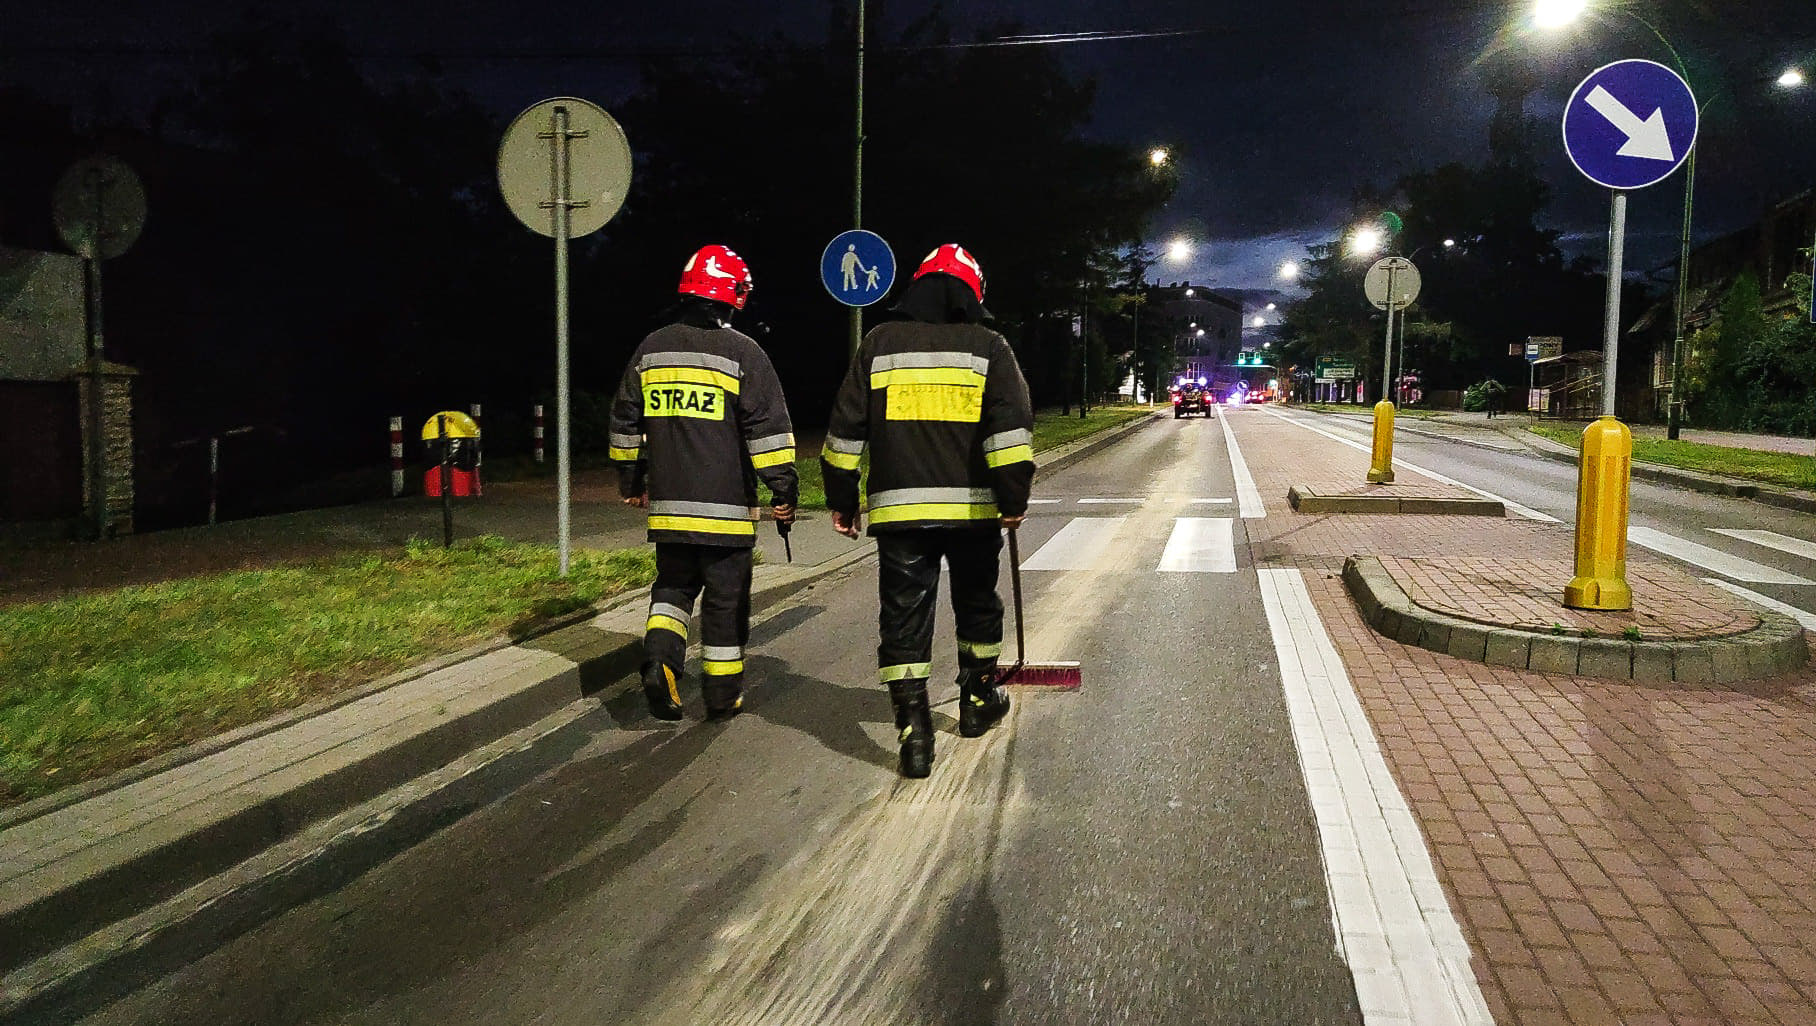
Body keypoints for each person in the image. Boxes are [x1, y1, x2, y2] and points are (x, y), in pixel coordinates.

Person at [820, 243, 1035, 778]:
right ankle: (977, 702)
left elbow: (844, 433)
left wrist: (842, 502)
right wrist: (1013, 501)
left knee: (904, 615)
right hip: (972, 512)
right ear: (972, 294)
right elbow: (1010, 434)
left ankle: (914, 733)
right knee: (977, 604)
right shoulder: (989, 347)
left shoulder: (879, 343)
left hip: (899, 513)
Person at [610, 244, 797, 721]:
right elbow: (768, 432)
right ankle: (721, 695)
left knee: (672, 590)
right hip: (727, 514)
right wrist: (783, 491)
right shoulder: (743, 353)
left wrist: (630, 480)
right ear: (731, 295)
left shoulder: (650, 349)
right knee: (724, 603)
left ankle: (659, 662)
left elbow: (624, 421)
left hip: (670, 511)